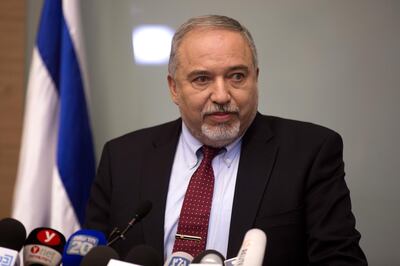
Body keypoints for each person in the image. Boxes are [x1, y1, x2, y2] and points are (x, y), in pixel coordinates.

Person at [85, 15, 367, 265]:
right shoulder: (122, 157)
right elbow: (93, 255)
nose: (221, 95)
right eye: (201, 79)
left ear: (255, 79)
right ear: (174, 88)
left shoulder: (309, 152)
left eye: (236, 76)